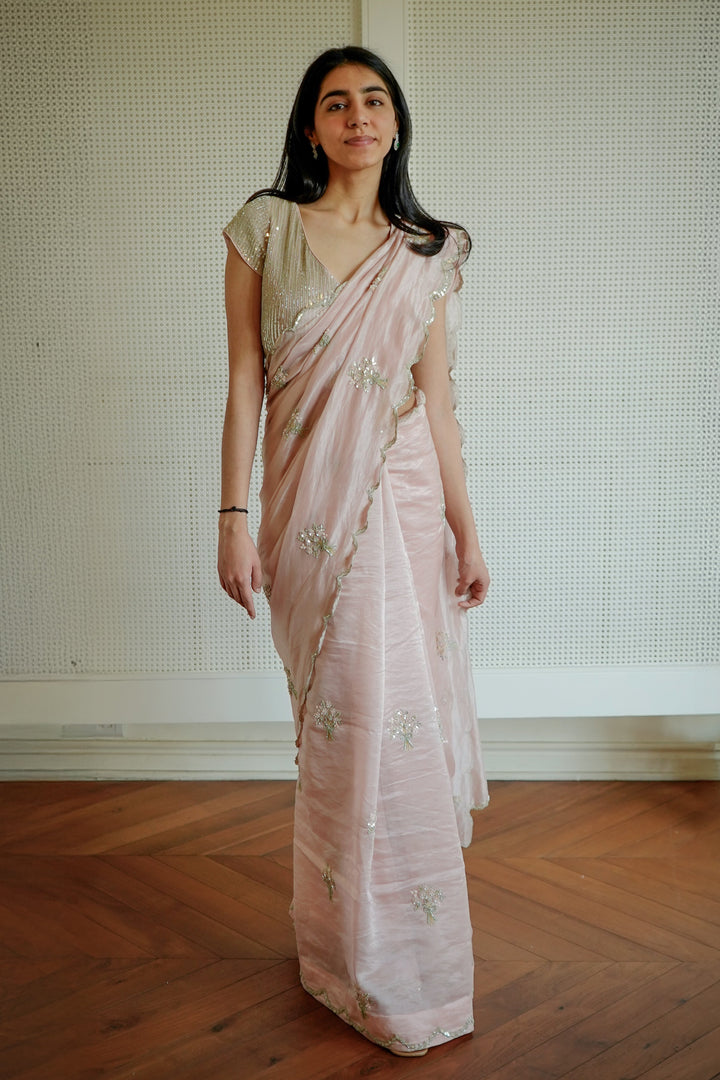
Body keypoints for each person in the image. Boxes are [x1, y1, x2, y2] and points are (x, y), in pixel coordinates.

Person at [218, 45, 490, 1057]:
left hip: (400, 502)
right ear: (310, 128)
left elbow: (441, 404)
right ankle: (338, 953)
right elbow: (246, 380)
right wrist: (232, 516)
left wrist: (467, 526)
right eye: (336, 103)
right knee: (338, 725)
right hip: (300, 511)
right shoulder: (264, 229)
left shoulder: (428, 251)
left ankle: (410, 973)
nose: (358, 116)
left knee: (390, 720)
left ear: (395, 122)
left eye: (375, 100)